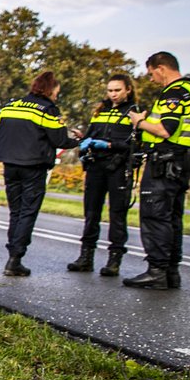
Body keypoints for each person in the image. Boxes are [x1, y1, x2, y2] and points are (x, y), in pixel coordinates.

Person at [123, 52, 190, 289]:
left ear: (161, 68)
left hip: (165, 162)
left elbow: (165, 129)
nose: (151, 79)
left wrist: (139, 121)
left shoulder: (174, 92)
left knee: (155, 215)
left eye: (151, 73)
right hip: (182, 162)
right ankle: (171, 271)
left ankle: (157, 271)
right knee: (172, 217)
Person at [0, 71, 79, 276]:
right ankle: (15, 259)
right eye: (56, 92)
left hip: (9, 164)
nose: (56, 96)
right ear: (50, 90)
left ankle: (12, 255)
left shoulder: (10, 106)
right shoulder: (47, 110)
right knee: (27, 212)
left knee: (15, 212)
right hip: (33, 167)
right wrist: (79, 140)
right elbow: (60, 140)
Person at [67, 74, 140, 276]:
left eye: (117, 90)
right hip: (96, 167)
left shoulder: (134, 113)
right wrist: (84, 139)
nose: (113, 94)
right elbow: (92, 135)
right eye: (110, 90)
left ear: (128, 90)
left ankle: (114, 260)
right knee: (91, 213)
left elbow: (134, 143)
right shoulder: (100, 111)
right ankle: (85, 257)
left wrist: (109, 145)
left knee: (117, 215)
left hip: (118, 168)